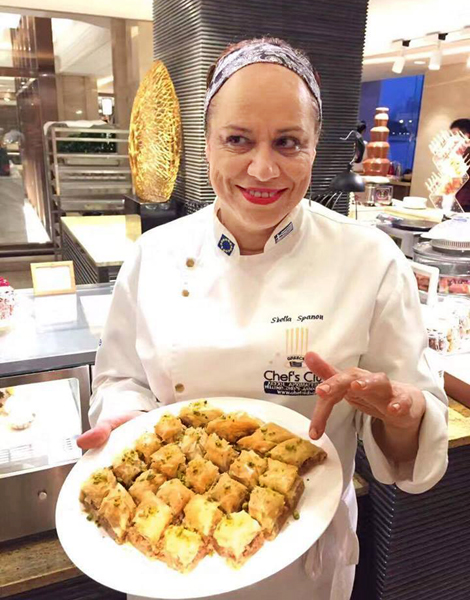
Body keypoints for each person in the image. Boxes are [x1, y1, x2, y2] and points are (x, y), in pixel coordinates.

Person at [77, 38, 448, 600]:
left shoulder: (370, 260)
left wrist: (402, 413)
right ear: (206, 143)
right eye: (238, 139)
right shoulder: (153, 255)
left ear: (315, 146)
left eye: (288, 142)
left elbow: (407, 444)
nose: (262, 167)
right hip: (162, 566)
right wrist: (126, 423)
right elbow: (120, 377)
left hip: (306, 565)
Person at [450, 118, 470, 212]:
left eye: (454, 135)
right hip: (458, 201)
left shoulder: (466, 153)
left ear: (467, 136)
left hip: (464, 204)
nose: (451, 139)